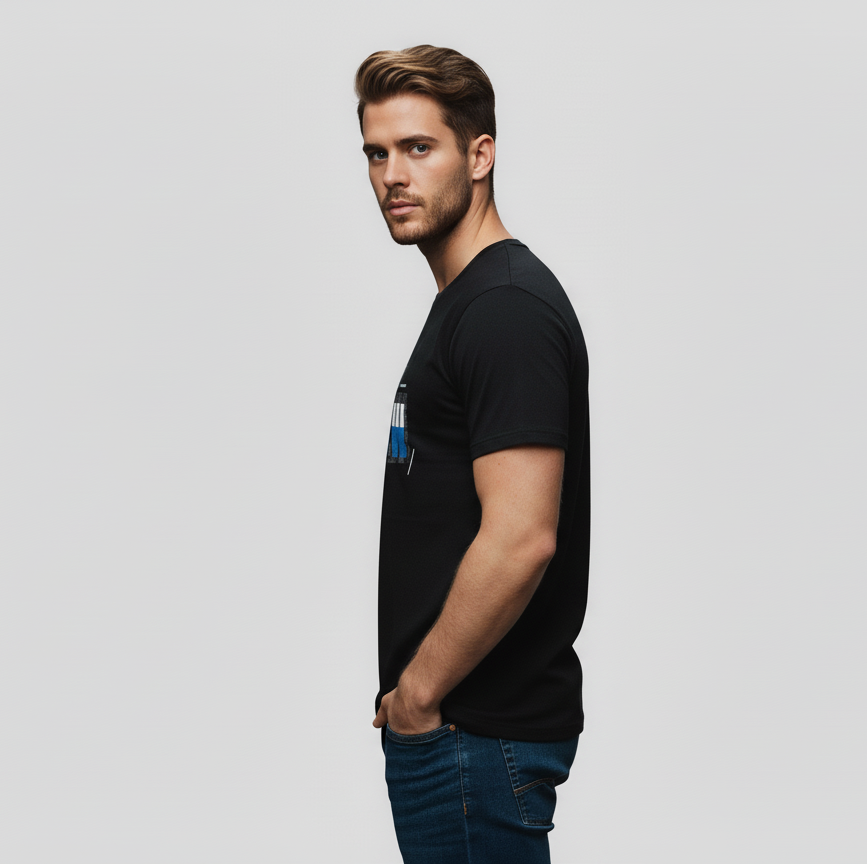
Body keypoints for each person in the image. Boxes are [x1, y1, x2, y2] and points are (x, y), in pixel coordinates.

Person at [356, 45, 591, 864]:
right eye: (376, 153)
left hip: (472, 740)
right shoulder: (470, 304)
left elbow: (522, 537)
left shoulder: (505, 310)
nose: (393, 175)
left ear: (479, 155)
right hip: (461, 739)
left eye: (418, 148)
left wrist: (419, 696)